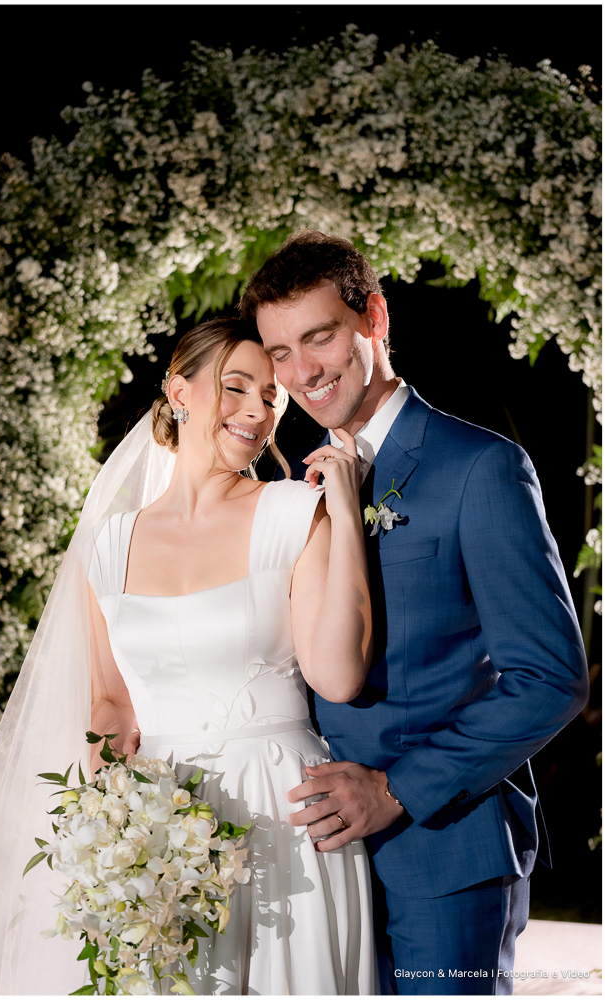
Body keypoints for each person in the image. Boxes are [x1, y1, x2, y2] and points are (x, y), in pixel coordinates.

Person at [0, 316, 378, 996]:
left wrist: (344, 513)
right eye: (236, 387)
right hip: (162, 829)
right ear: (179, 392)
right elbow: (111, 702)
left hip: (283, 812)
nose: (257, 411)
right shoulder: (107, 543)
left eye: (271, 397)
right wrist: (111, 827)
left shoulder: (294, 512)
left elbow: (338, 676)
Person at [240, 230, 589, 996]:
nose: (301, 372)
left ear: (374, 318)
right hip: (314, 865)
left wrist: (395, 791)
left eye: (319, 337)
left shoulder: (480, 467)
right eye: (279, 352)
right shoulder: (295, 491)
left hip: (442, 853)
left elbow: (549, 680)